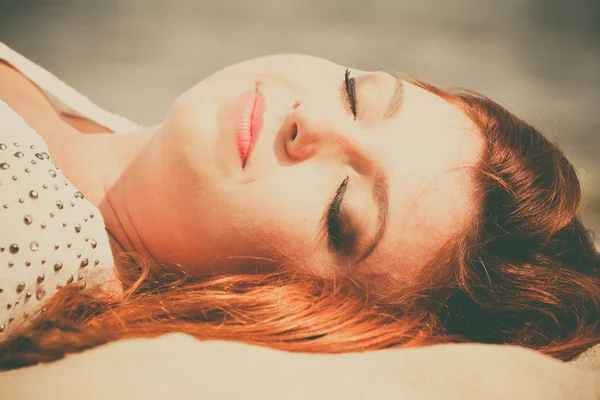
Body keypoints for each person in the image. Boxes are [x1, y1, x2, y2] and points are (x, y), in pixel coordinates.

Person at [0, 42, 598, 370]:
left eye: (341, 211)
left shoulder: (27, 233)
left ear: (296, 311)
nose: (308, 121)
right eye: (353, 93)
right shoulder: (105, 152)